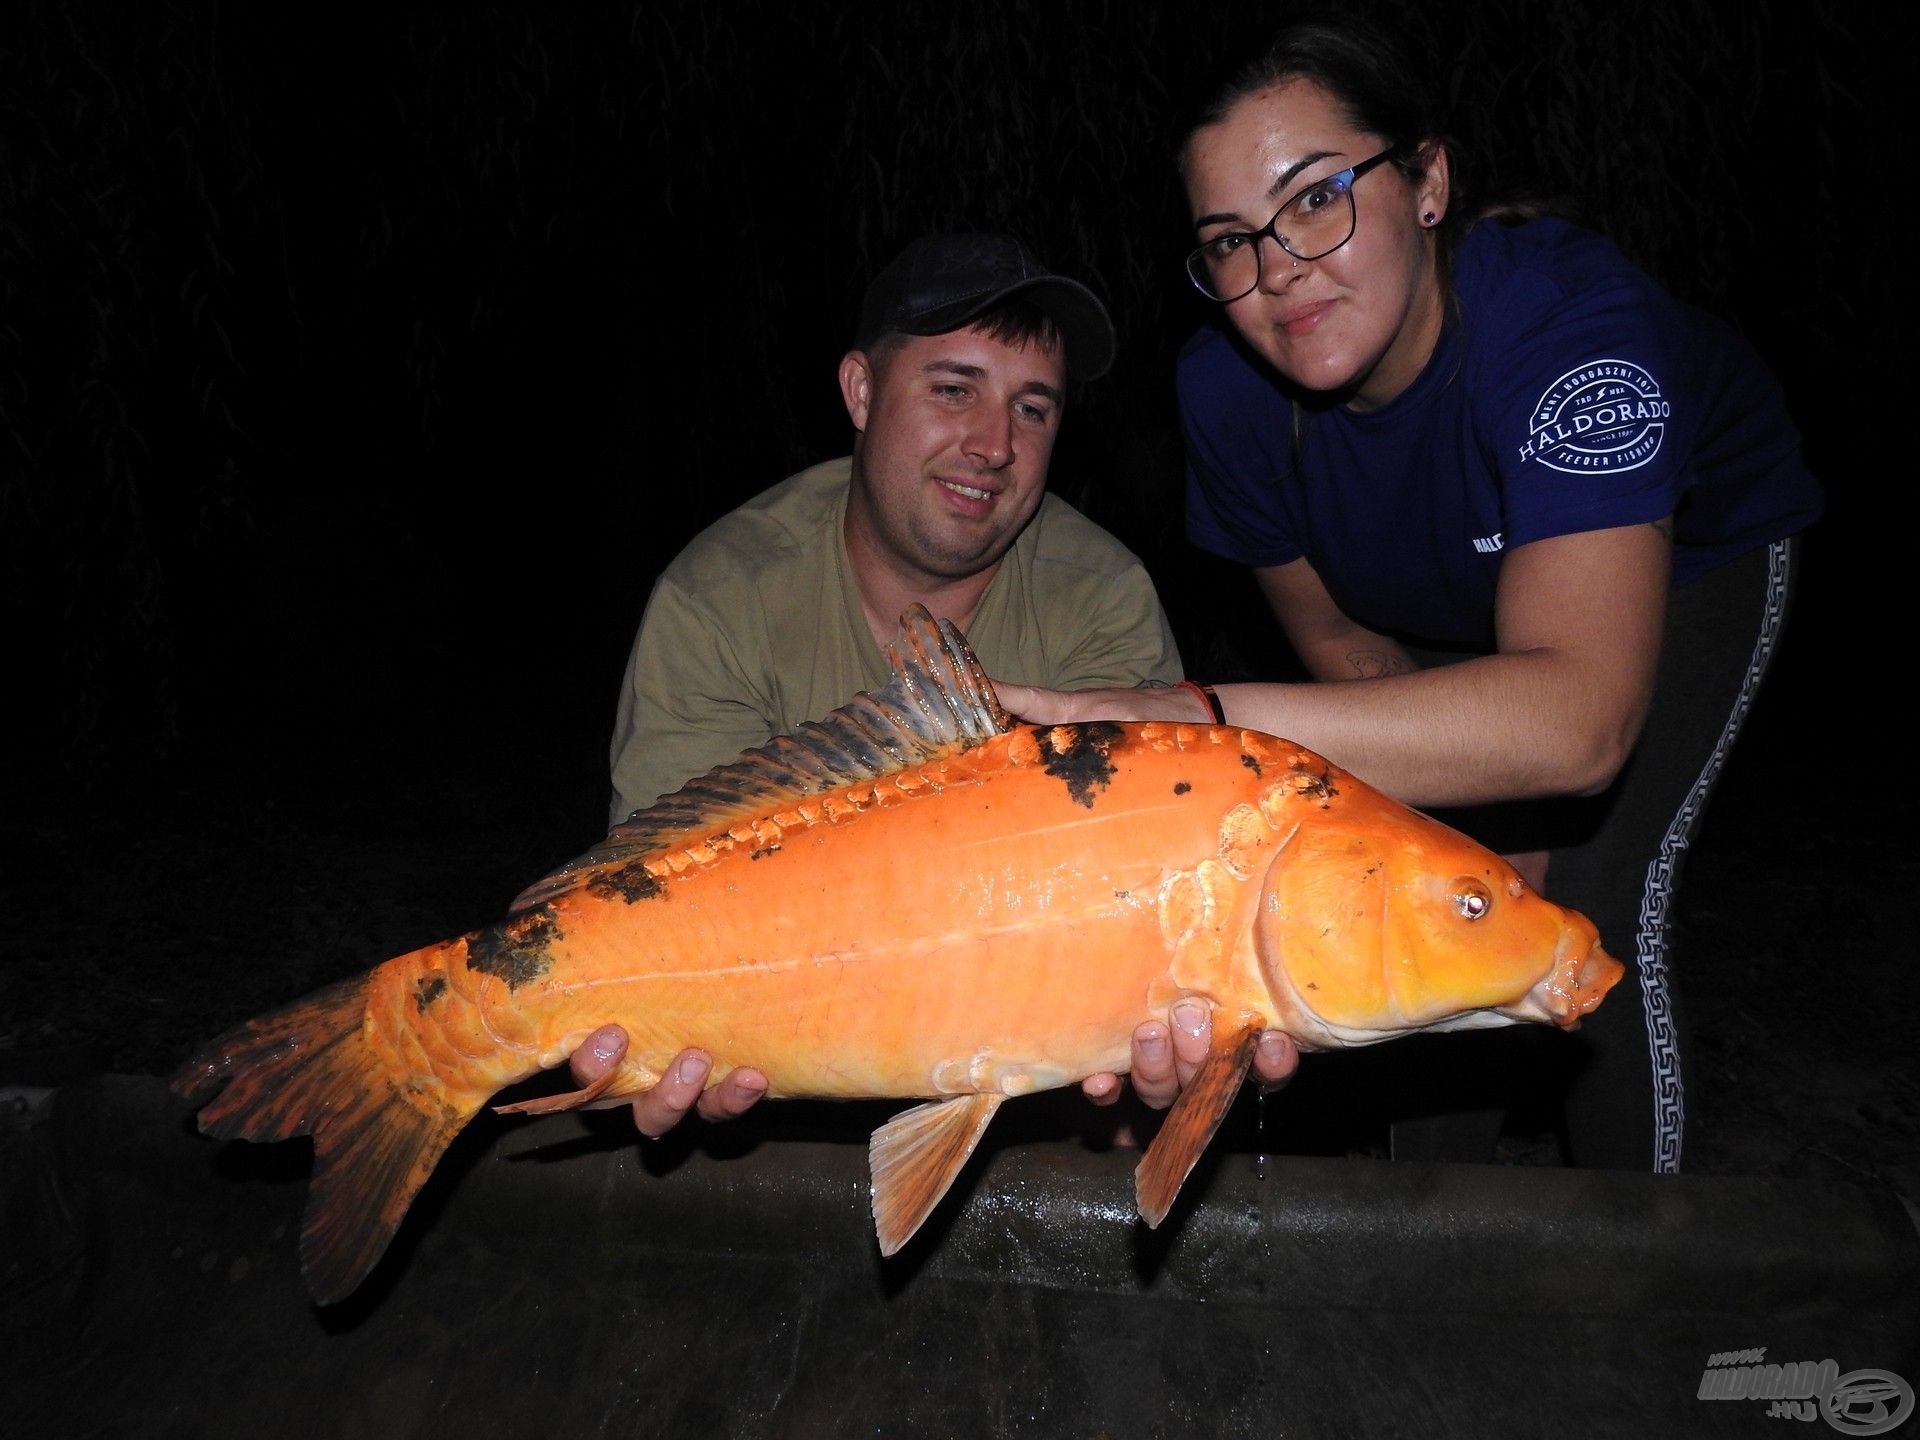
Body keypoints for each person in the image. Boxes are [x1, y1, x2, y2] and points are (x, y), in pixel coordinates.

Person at [996, 17, 1823, 1175]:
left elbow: (1576, 722)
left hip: (1676, 573)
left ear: (1428, 181)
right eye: (1229, 240)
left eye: (1318, 196)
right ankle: (1435, 1243)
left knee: (1588, 893)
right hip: (1452, 599)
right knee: (1420, 897)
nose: (1277, 269)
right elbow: (1352, 658)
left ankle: (1653, 1277)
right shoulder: (1228, 397)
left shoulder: (1573, 334)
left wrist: (1201, 724)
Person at [577, 231, 1301, 1139]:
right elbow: (645, 897)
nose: (994, 445)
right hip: (771, 1075)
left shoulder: (1100, 598)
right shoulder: (719, 596)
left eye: (1033, 409)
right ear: (861, 390)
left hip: (1021, 1097)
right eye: (954, 390)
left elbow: (1124, 929)